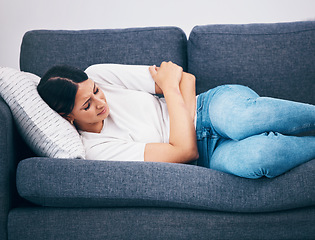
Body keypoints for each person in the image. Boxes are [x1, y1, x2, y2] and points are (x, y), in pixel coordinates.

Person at [37, 61, 315, 179]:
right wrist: (171, 91)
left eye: (96, 90)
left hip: (208, 107)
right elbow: (188, 152)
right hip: (208, 155)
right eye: (87, 105)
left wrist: (182, 127)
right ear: (67, 117)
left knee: (241, 121)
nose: (100, 102)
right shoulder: (95, 148)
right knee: (259, 159)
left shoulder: (100, 73)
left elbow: (184, 76)